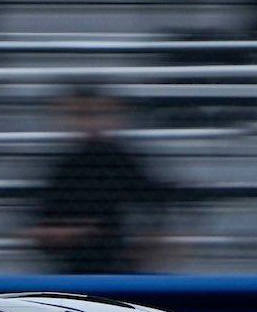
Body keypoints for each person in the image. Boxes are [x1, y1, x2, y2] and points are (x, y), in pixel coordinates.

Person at [25, 88, 172, 275]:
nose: (89, 123)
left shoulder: (123, 162)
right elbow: (41, 227)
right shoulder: (59, 164)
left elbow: (152, 209)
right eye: (79, 115)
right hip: (72, 270)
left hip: (116, 269)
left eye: (97, 114)